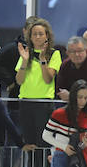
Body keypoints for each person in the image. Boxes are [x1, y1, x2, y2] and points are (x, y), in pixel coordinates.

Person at [15, 18, 61, 146]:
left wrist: (42, 60)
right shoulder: (25, 53)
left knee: (43, 143)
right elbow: (19, 81)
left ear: (47, 36)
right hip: (25, 102)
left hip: (44, 103)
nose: (37, 37)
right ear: (29, 36)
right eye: (34, 34)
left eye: (41, 34)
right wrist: (24, 61)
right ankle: (31, 166)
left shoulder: (53, 54)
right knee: (29, 143)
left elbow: (48, 79)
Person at [56, 36, 87, 103]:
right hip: (71, 106)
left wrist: (72, 96)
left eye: (80, 51)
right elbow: (59, 88)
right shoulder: (65, 65)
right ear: (67, 53)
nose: (77, 54)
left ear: (86, 51)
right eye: (73, 51)